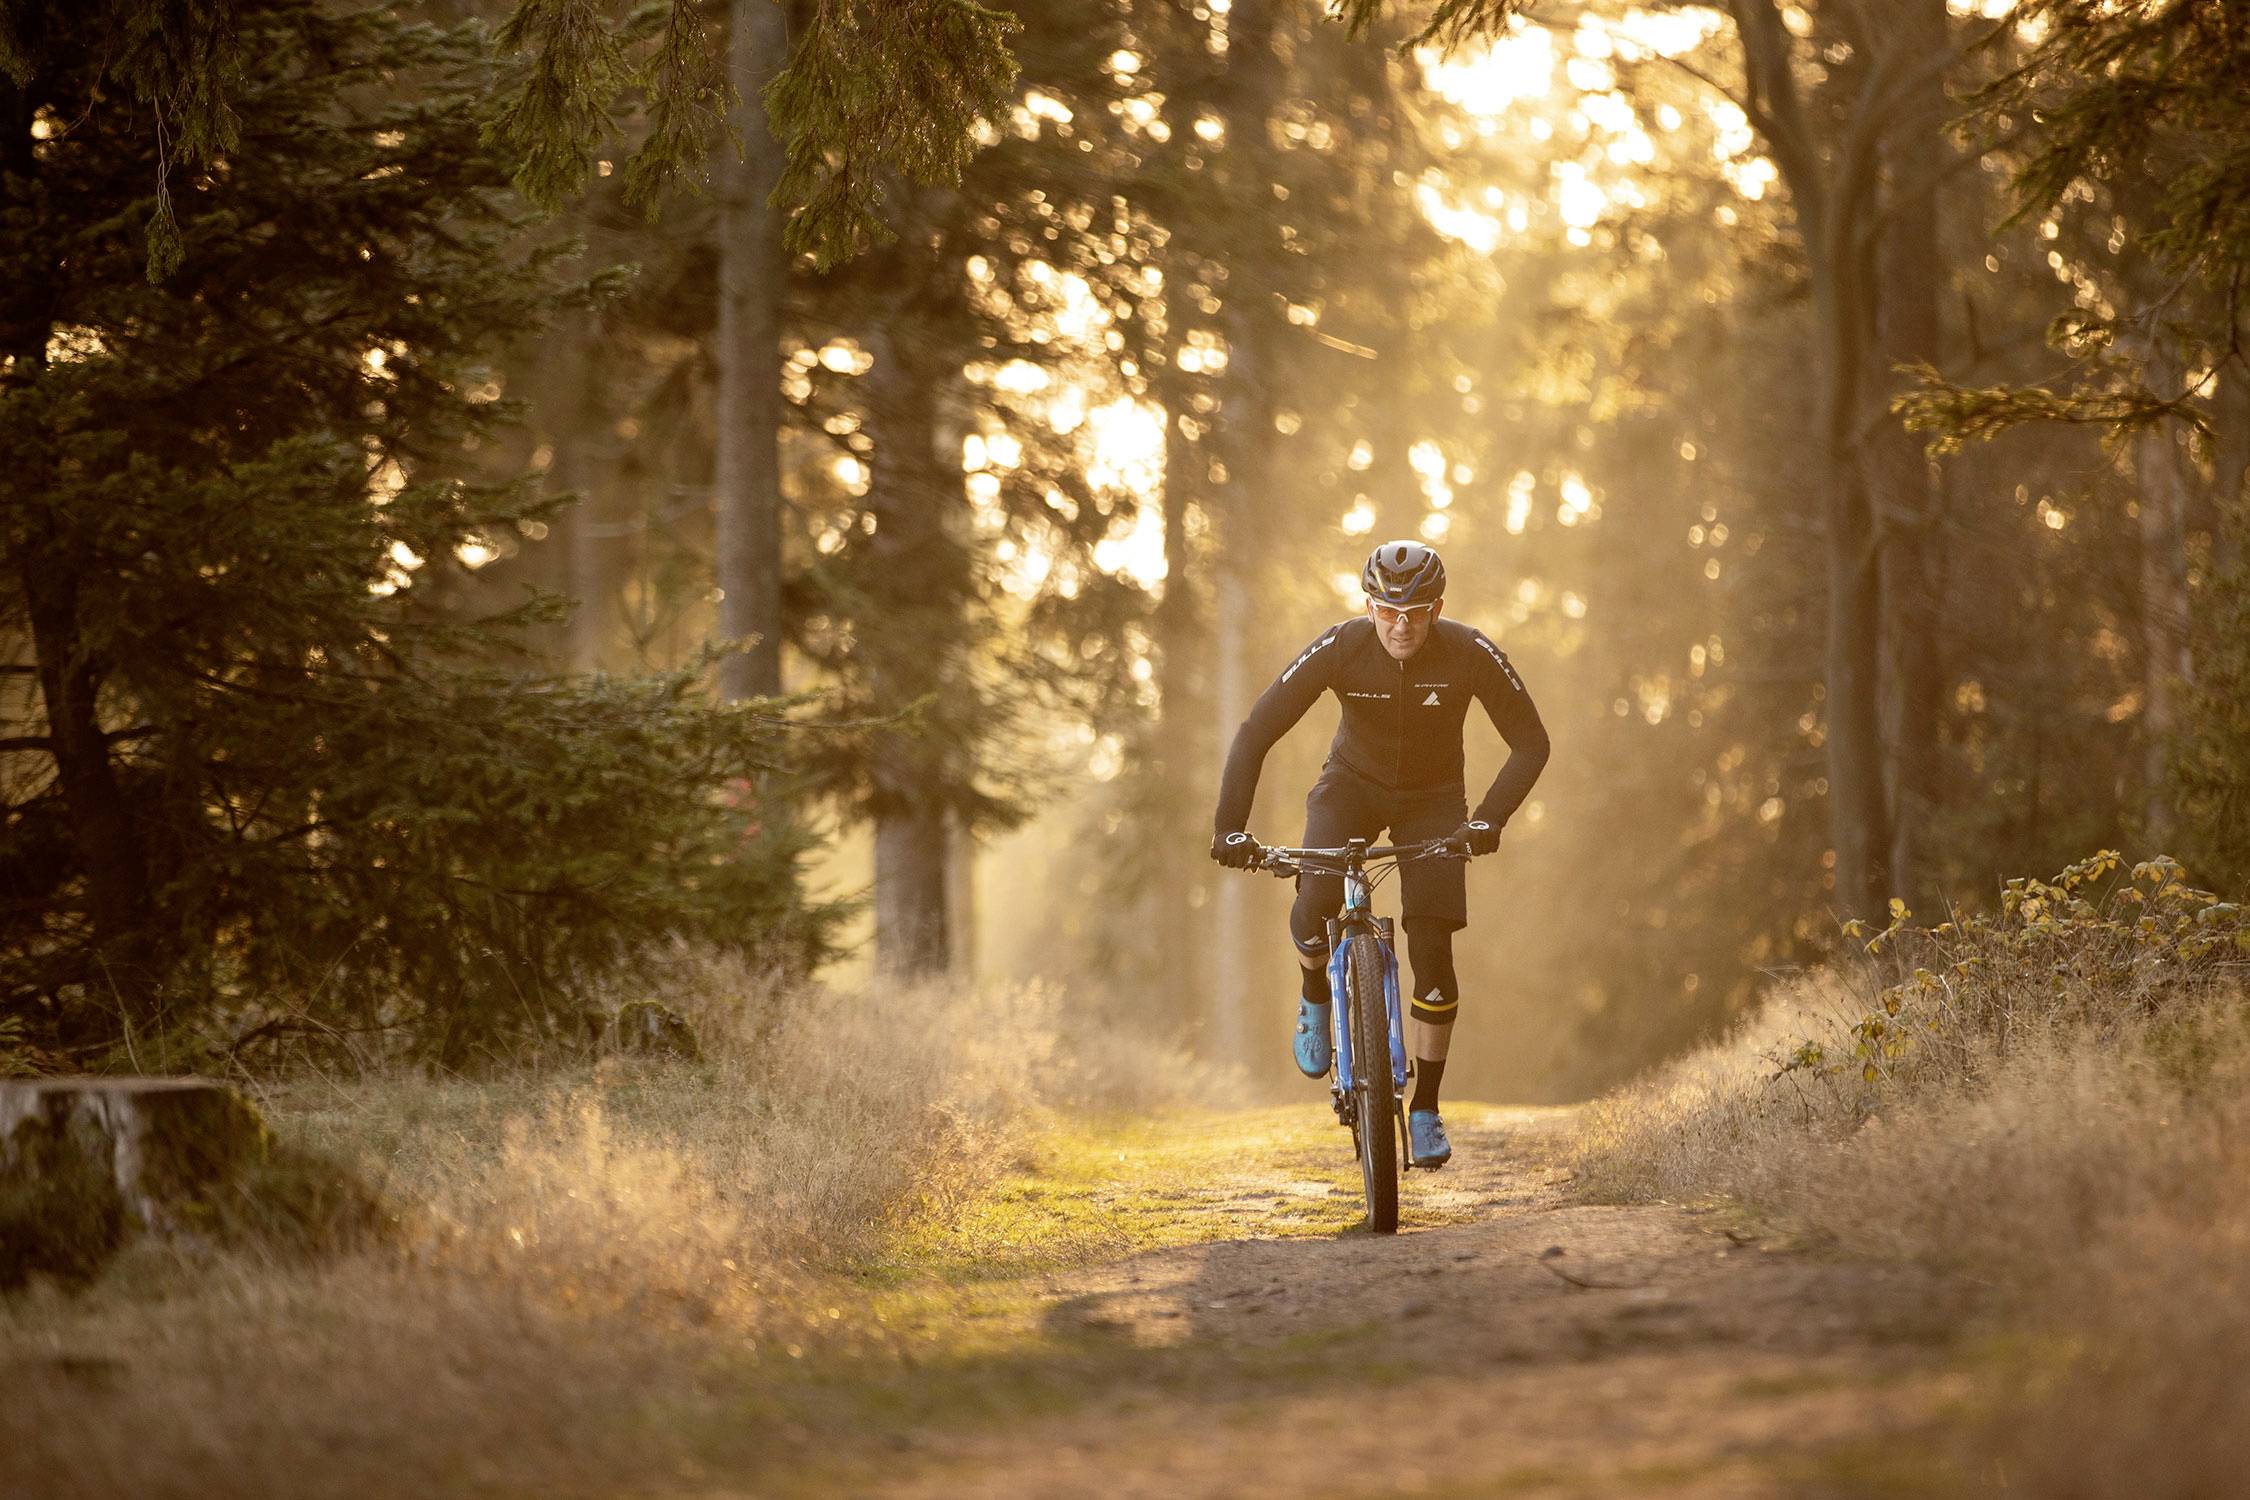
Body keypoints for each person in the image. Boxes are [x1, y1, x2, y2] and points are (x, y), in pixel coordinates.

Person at [1208, 540, 1550, 1167]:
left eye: (1415, 612)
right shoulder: (1342, 645)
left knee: (1433, 950)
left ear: (1436, 607)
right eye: (1387, 610)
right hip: (1351, 789)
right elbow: (1258, 729)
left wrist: (1488, 821)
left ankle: (1425, 1109)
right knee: (1312, 901)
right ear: (1368, 606)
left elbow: (1531, 743)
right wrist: (1230, 826)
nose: (1400, 624)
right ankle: (1315, 989)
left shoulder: (1469, 651)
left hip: (1435, 801)